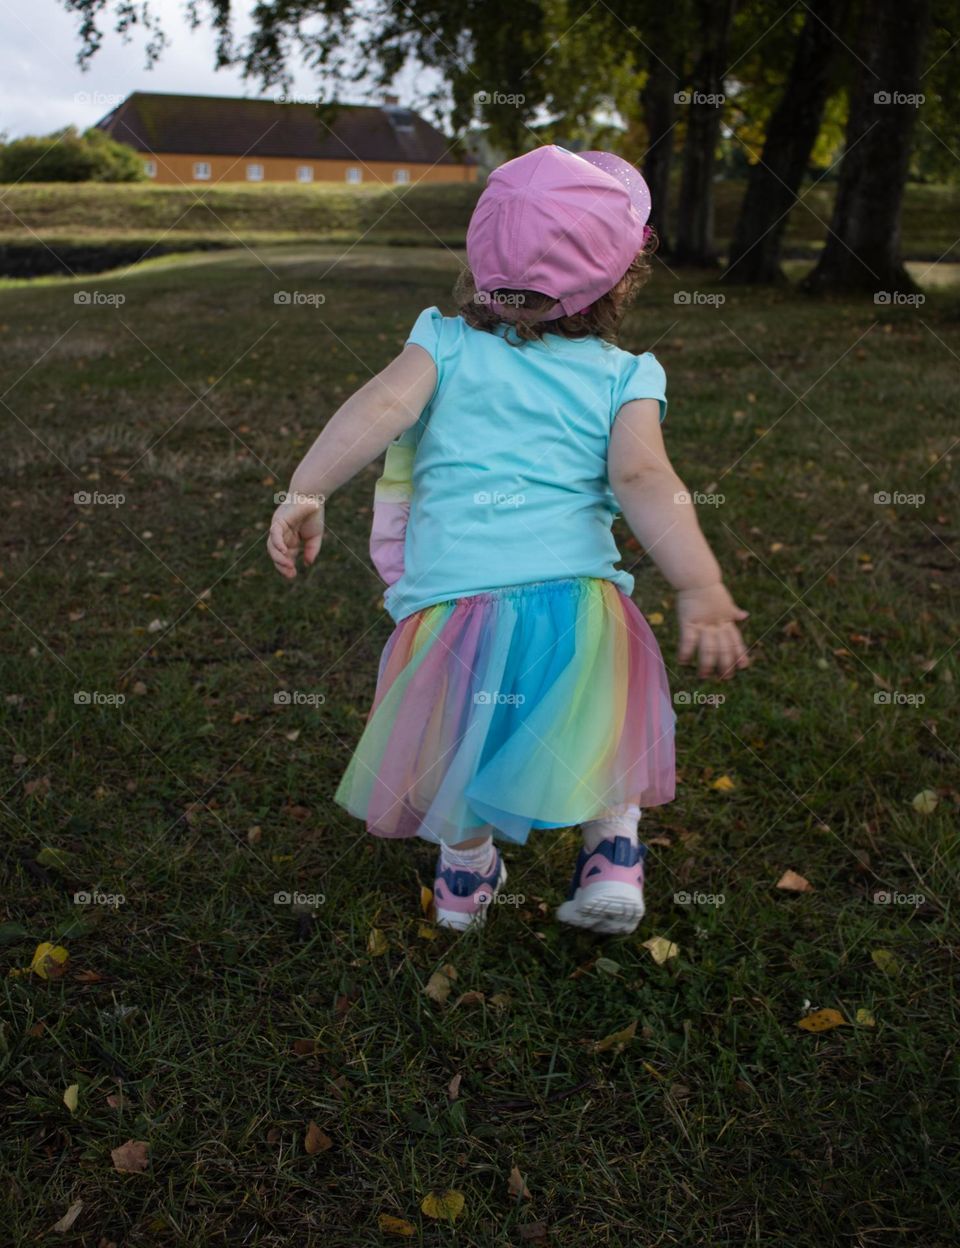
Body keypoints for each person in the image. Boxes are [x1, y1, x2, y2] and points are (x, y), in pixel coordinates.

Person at [268, 145, 749, 935]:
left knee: (459, 739)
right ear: (622, 277)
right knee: (594, 732)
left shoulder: (443, 343)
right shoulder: (626, 376)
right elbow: (642, 480)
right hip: (578, 604)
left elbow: (380, 407)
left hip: (455, 607)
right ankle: (614, 857)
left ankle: (465, 876)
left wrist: (307, 488)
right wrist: (697, 580)